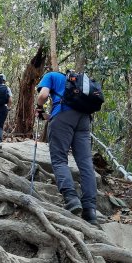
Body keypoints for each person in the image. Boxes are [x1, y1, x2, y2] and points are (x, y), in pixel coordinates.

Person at [35, 70, 97, 225]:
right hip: (83, 120)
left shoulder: (50, 76)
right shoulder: (77, 82)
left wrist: (39, 108)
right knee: (86, 164)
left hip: (62, 117)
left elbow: (43, 96)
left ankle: (71, 198)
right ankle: (90, 210)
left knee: (59, 159)